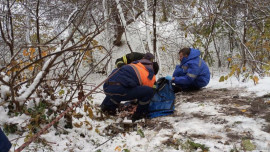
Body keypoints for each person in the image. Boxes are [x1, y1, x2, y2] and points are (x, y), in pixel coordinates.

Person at [101, 53, 158, 122]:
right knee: (149, 91)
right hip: (119, 91)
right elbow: (148, 92)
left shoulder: (135, 64)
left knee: (118, 85)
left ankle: (107, 107)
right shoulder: (150, 74)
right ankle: (139, 115)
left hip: (106, 87)